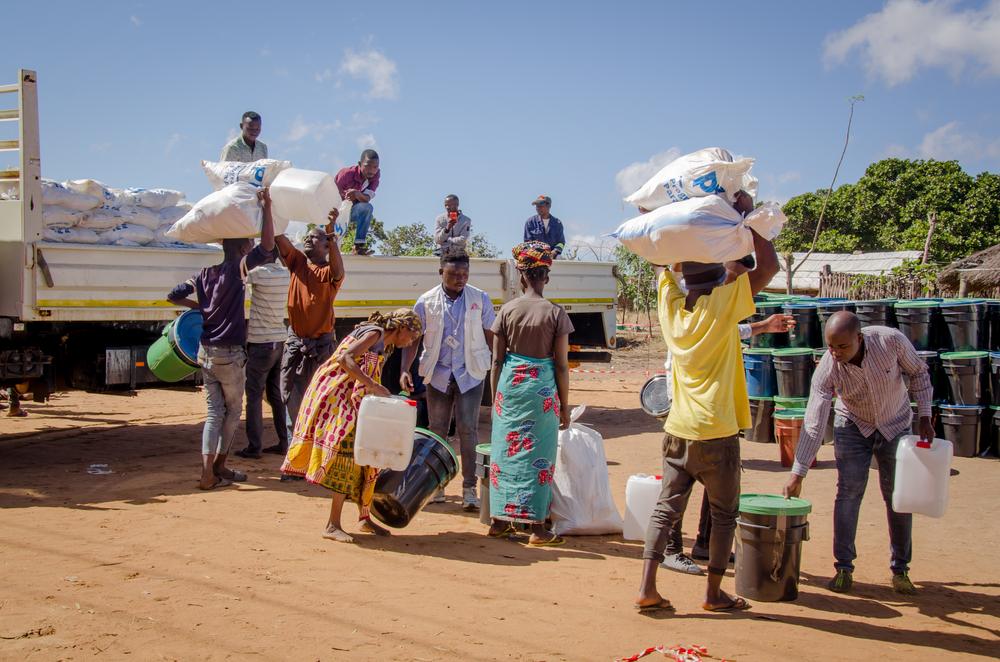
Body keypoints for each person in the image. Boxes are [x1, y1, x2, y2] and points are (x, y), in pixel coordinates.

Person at [635, 190, 778, 613]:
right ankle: (714, 593)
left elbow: (663, 264)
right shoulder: (723, 306)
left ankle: (647, 587)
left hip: (678, 429)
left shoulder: (671, 306)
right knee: (722, 515)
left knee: (666, 511)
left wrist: (660, 222)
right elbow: (767, 267)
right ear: (718, 278)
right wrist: (748, 215)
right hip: (716, 431)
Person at [782, 311, 933, 595]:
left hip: (895, 423)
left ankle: (900, 569)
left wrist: (924, 414)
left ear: (859, 338)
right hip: (852, 425)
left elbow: (919, 372)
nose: (836, 353)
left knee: (897, 497)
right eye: (830, 347)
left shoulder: (891, 342)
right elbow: (814, 421)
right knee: (849, 493)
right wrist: (798, 472)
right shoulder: (828, 367)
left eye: (843, 347)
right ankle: (843, 568)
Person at [662, 254, 795, 575]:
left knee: (704, 484)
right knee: (684, 485)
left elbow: (727, 331)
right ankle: (673, 549)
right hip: (693, 405)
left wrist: (763, 326)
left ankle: (702, 544)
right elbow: (722, 326)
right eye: (736, 272)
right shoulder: (702, 299)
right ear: (721, 273)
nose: (738, 278)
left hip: (712, 406)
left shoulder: (692, 301)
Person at [281, 309, 424, 543]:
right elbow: (344, 359)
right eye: (412, 336)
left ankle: (364, 516)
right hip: (338, 400)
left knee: (367, 459)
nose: (410, 342)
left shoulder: (384, 343)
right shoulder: (375, 334)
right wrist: (373, 386)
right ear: (402, 328)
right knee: (347, 457)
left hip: (353, 400)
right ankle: (332, 524)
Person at [167, 189, 275, 490]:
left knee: (214, 414)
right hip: (229, 354)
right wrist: (266, 208)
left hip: (206, 353)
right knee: (233, 412)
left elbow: (172, 295)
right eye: (247, 243)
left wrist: (200, 307)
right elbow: (268, 246)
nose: (251, 245)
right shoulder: (237, 269)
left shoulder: (204, 274)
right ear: (241, 248)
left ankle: (208, 472)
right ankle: (220, 466)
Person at [487, 241, 573, 545]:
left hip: (510, 388)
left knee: (504, 454)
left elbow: (497, 361)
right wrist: (564, 406)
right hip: (541, 392)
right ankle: (537, 528)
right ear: (546, 277)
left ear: (521, 276)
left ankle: (498, 521)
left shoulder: (507, 311)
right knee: (538, 455)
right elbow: (561, 366)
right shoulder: (555, 313)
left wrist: (497, 397)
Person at [400, 252, 496, 511]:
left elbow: (491, 336)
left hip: (471, 374)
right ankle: (437, 486)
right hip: (439, 375)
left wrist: (499, 365)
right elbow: (413, 339)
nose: (459, 279)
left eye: (464, 275)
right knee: (437, 431)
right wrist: (405, 369)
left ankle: (469, 489)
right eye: (453, 275)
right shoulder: (426, 301)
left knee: (468, 430)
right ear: (441, 272)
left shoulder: (480, 298)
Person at [274, 209, 346, 457]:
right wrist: (270, 210)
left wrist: (331, 232)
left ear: (327, 245)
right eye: (307, 236)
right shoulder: (297, 263)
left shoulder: (329, 273)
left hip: (320, 349)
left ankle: (316, 457)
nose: (307, 239)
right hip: (296, 346)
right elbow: (279, 238)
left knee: (319, 402)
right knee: (292, 403)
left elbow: (339, 271)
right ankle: (295, 458)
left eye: (314, 237)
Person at [235, 257, 291, 459]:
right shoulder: (285, 273)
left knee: (254, 396)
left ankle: (254, 446)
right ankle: (284, 442)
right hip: (279, 341)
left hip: (260, 343)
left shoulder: (258, 273)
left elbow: (238, 275)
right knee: (275, 394)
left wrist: (245, 256)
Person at [335, 149, 380, 256]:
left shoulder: (375, 176)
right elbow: (333, 194)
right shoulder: (346, 174)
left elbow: (367, 198)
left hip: (352, 212)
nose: (371, 170)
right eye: (368, 166)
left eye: (375, 167)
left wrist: (357, 194)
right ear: (359, 164)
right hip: (336, 211)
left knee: (367, 207)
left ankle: (358, 246)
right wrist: (346, 196)